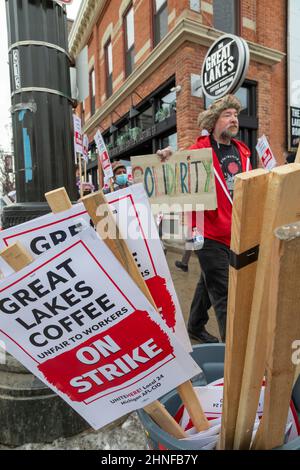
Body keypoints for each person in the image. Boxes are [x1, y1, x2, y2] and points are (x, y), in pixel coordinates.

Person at [158, 94, 251, 343]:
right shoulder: (199, 150)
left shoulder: (243, 151)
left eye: (236, 115)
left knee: (207, 281)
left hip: (236, 231)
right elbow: (175, 169)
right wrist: (167, 158)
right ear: (213, 122)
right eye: (227, 115)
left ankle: (195, 326)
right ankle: (233, 356)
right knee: (225, 293)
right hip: (206, 233)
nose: (234, 119)